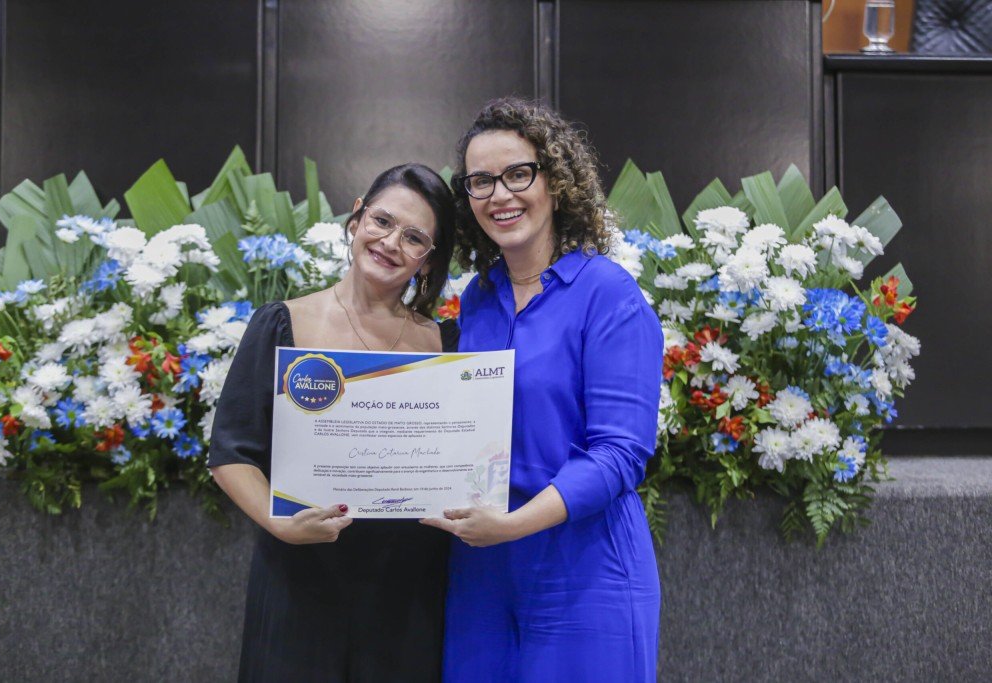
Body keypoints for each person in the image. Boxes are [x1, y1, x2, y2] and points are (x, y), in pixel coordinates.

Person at [421, 98, 664, 681]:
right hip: (482, 571)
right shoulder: (478, 299)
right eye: (480, 182)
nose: (499, 195)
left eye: (517, 174)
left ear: (555, 181)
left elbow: (620, 453)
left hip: (585, 567)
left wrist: (514, 524)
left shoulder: (609, 295)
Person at [208, 163, 459, 683]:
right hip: (300, 578)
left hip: (408, 588)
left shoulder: (447, 344)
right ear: (355, 218)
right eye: (382, 221)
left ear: (429, 261)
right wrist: (278, 522)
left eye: (414, 238)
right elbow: (232, 453)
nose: (390, 242)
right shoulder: (281, 322)